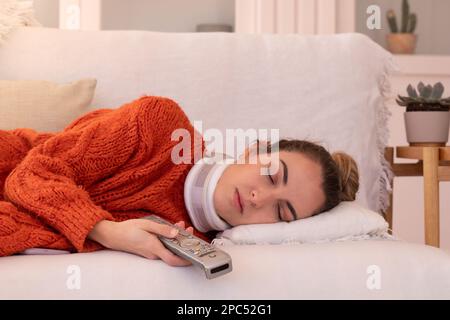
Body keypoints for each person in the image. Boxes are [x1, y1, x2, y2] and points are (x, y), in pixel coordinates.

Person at [0, 96, 359, 267]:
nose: (257, 198)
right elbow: (31, 175)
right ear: (254, 150)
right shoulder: (161, 124)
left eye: (281, 212)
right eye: (271, 174)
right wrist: (107, 230)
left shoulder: (191, 242)